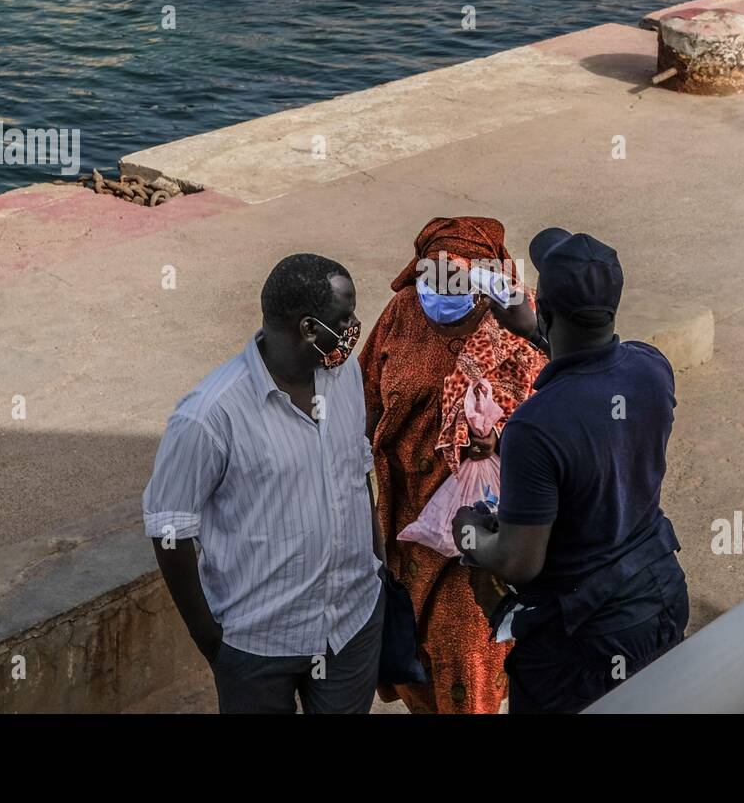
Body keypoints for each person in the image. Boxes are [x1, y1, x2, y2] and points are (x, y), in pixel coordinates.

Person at [452, 228, 690, 714]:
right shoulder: (651, 368)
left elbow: (520, 563)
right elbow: (592, 368)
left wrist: (470, 535)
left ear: (548, 310)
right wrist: (535, 330)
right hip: (661, 597)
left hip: (585, 638)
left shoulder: (535, 427)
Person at [142, 253, 386, 713]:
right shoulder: (208, 415)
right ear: (308, 328)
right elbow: (169, 530)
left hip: (352, 625)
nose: (355, 326)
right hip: (257, 645)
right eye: (344, 317)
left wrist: (378, 564)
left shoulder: (345, 375)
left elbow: (358, 471)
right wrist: (212, 644)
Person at [360, 217, 547, 713]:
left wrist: (498, 437)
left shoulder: (519, 327)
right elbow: (364, 403)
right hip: (405, 530)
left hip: (479, 540)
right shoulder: (400, 314)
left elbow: (557, 426)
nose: (440, 293)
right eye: (433, 278)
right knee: (412, 663)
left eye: (456, 281)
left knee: (467, 662)